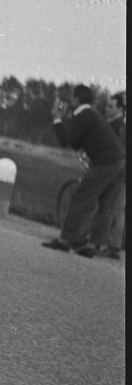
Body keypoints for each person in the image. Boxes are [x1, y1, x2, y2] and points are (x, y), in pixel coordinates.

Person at [42, 84, 125, 256]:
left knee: (80, 197)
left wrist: (57, 119)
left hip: (106, 162)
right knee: (106, 204)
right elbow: (76, 142)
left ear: (77, 99)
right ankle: (95, 245)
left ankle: (66, 240)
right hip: (118, 161)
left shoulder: (83, 114)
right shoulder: (90, 114)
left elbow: (65, 140)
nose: (70, 100)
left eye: (72, 97)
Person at [99, 90, 126, 259]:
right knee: (116, 208)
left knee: (116, 208)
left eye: (111, 106)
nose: (107, 109)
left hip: (119, 172)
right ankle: (112, 243)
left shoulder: (118, 125)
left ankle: (114, 246)